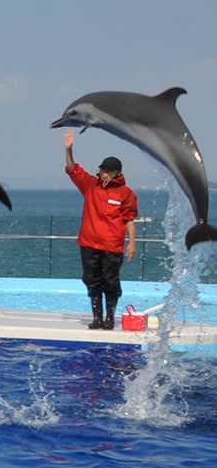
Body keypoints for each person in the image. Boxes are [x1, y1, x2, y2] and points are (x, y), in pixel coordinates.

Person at [63, 129, 138, 329]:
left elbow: (130, 218)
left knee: (110, 281)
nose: (104, 173)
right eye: (102, 170)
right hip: (88, 242)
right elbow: (73, 169)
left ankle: (110, 317)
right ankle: (97, 317)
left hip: (112, 244)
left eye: (108, 171)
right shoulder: (90, 185)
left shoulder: (125, 193)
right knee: (91, 279)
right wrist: (69, 149)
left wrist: (131, 243)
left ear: (117, 173)